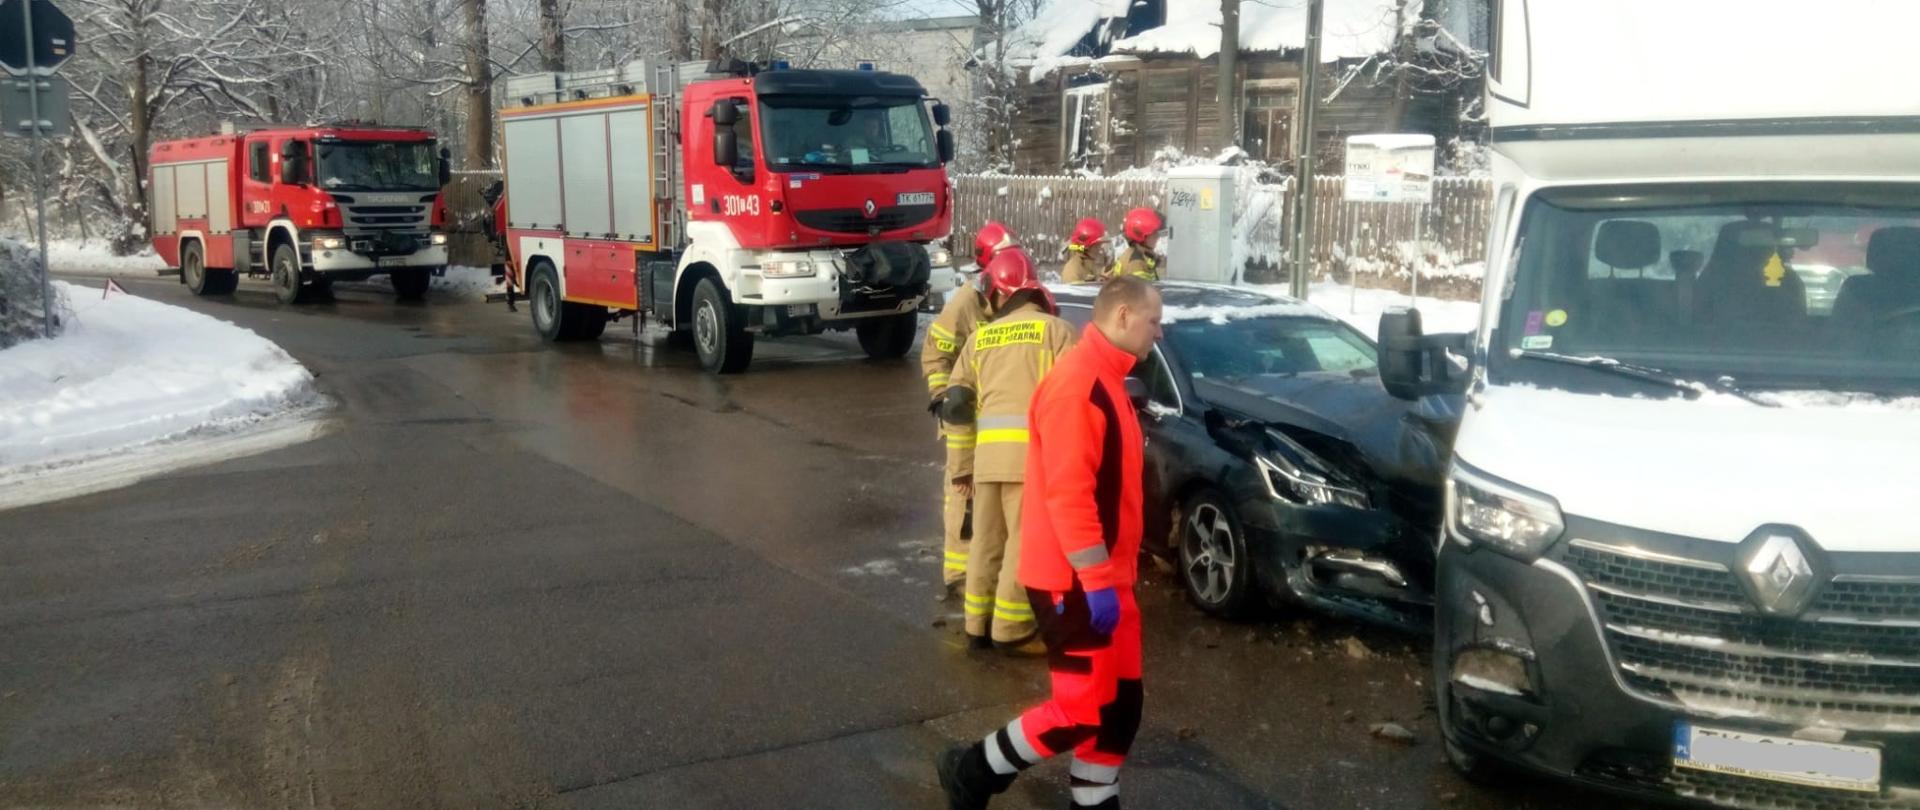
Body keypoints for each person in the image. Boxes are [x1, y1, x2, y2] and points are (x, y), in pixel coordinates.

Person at [936, 276, 1163, 810]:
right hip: (1074, 581)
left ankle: (1093, 800)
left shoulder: (1110, 381)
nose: (1159, 331)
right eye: (1154, 320)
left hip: (1109, 579)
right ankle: (973, 770)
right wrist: (1095, 580)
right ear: (1124, 316)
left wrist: (1113, 579)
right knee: (1081, 710)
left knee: (1121, 706)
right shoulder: (1078, 384)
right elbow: (1070, 496)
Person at [939, 248, 1076, 655]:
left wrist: (962, 466)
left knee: (984, 542)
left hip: (987, 462)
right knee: (1022, 543)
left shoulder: (981, 338)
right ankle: (1012, 630)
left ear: (1002, 293)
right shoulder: (1057, 332)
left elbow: (957, 404)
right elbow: (1073, 401)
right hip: (1031, 461)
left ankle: (977, 626)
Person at [922, 222, 1019, 597]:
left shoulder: (1010, 297)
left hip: (994, 415)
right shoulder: (967, 302)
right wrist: (946, 396)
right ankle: (960, 577)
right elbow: (935, 352)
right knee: (963, 496)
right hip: (964, 413)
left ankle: (989, 570)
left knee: (992, 497)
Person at [1110, 208, 1164, 281]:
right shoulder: (1136, 265)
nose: (1157, 236)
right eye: (1153, 233)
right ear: (1141, 236)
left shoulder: (1139, 255)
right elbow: (1141, 291)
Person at [1060, 218, 1108, 284]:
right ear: (1087, 247)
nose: (1100, 249)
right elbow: (1078, 293)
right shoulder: (1073, 270)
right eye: (1097, 245)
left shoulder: (1089, 264)